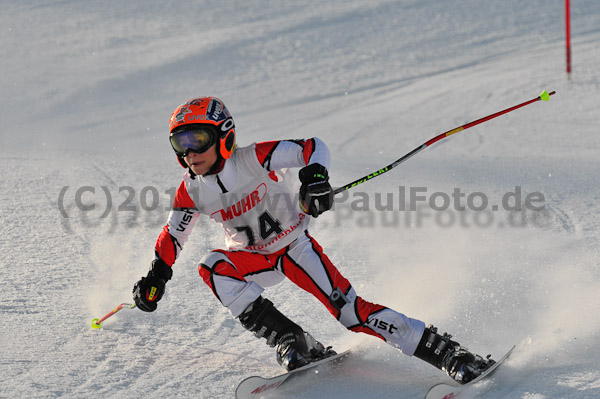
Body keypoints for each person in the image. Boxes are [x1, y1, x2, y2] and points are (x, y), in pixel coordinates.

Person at [132, 97, 493, 383]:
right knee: (213, 267)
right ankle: (293, 340)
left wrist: (314, 179)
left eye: (197, 140)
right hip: (253, 260)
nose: (189, 153)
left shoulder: (254, 158)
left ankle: (448, 353)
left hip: (294, 248)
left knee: (351, 313)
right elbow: (173, 235)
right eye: (180, 143)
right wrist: (156, 275)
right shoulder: (191, 190)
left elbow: (311, 147)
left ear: (223, 136)